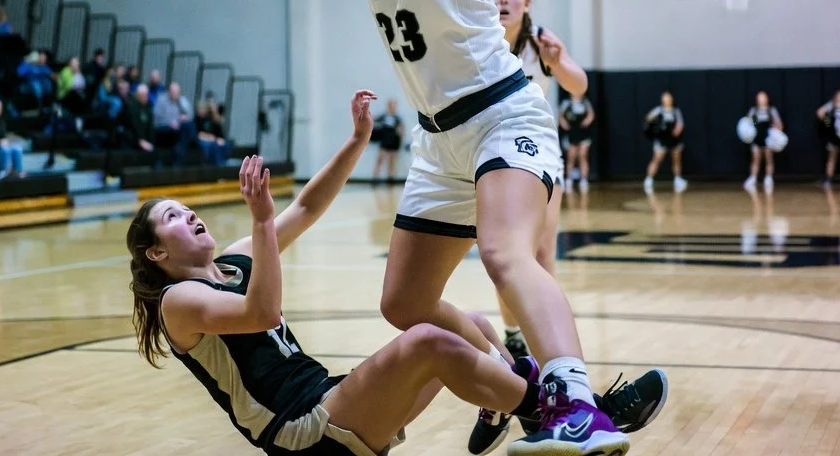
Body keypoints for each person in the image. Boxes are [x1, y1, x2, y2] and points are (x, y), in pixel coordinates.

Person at [215, 0, 665, 455]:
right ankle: (517, 381)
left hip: (501, 116)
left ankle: (579, 403)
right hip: (438, 143)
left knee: (506, 254)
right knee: (402, 303)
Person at [129, 91, 555, 456]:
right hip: (299, 430)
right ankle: (550, 408)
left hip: (330, 397)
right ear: (157, 251)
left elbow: (307, 208)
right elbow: (262, 314)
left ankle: (505, 397)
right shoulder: (178, 300)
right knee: (427, 341)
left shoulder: (234, 261)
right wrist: (261, 224)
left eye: (186, 209)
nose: (188, 214)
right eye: (173, 216)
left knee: (467, 326)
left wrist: (357, 140)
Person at [491, 0, 589, 363]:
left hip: (540, 155)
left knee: (543, 253)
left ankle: (548, 345)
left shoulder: (540, 42)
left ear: (527, 2)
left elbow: (579, 86)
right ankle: (513, 334)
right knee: (503, 256)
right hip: (491, 159)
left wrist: (560, 61)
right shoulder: (475, 40)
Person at [643, 92, 685, 195]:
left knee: (676, 159)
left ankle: (677, 179)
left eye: (669, 98)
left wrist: (676, 131)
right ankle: (648, 179)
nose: (667, 100)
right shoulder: (658, 110)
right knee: (657, 159)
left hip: (674, 140)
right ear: (662, 100)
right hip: (662, 140)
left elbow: (680, 124)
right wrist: (654, 127)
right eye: (665, 98)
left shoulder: (676, 111)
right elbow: (648, 119)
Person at [743, 92, 783, 196]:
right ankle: (753, 178)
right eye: (759, 98)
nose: (761, 100)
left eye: (763, 97)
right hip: (757, 137)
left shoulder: (771, 110)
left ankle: (768, 178)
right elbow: (748, 124)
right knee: (755, 159)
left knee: (769, 158)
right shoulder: (754, 110)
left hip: (768, 137)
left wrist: (776, 130)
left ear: (767, 99)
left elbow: (778, 124)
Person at [558, 91, 595, 196]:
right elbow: (560, 116)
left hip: (583, 133)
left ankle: (583, 180)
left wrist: (586, 121)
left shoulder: (585, 102)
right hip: (572, 133)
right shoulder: (566, 102)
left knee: (583, 156)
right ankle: (568, 180)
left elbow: (591, 114)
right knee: (571, 157)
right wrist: (564, 124)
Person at [371, 98, 404, 183]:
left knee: (391, 162)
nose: (392, 107)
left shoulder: (398, 119)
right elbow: (373, 121)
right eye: (391, 105)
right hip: (384, 142)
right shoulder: (383, 116)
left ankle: (390, 179)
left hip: (393, 143)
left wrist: (400, 132)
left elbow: (401, 131)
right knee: (380, 160)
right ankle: (375, 178)